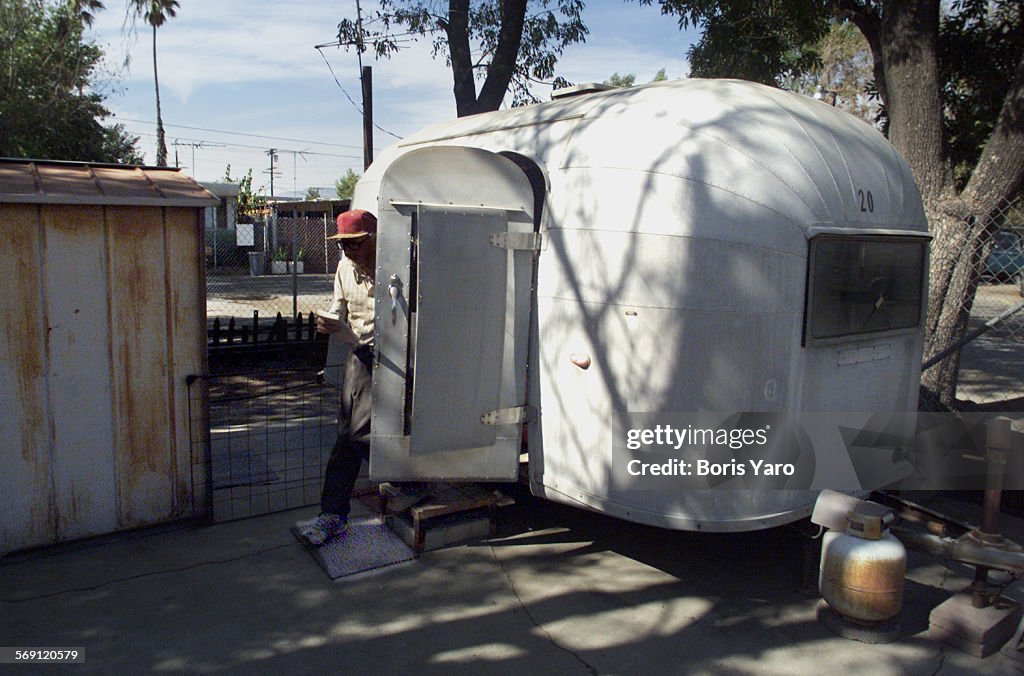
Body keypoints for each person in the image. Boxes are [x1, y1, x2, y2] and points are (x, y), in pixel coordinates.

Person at [298, 209, 378, 546]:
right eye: (343, 245)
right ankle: (332, 514)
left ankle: (412, 483)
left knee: (359, 434)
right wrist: (329, 321)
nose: (348, 251)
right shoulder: (345, 268)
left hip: (398, 358)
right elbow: (339, 308)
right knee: (348, 435)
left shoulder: (399, 267)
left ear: (374, 239)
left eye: (355, 244)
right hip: (360, 355)